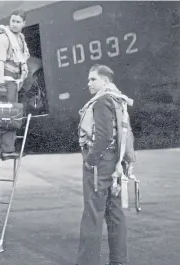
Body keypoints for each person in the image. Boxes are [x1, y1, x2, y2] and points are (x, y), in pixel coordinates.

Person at [76, 64, 137, 265]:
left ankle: (87, 262)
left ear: (105, 81)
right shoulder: (118, 99)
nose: (89, 84)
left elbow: (102, 137)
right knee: (115, 213)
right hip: (115, 164)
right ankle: (119, 260)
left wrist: (90, 161)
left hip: (100, 165)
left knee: (92, 214)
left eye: (93, 79)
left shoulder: (102, 101)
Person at [0, 9, 30, 160]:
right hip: (6, 81)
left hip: (14, 81)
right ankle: (7, 150)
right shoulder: (3, 38)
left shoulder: (20, 38)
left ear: (23, 24)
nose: (14, 24)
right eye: (12, 21)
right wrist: (0, 83)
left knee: (12, 114)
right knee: (7, 115)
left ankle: (10, 146)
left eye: (18, 22)